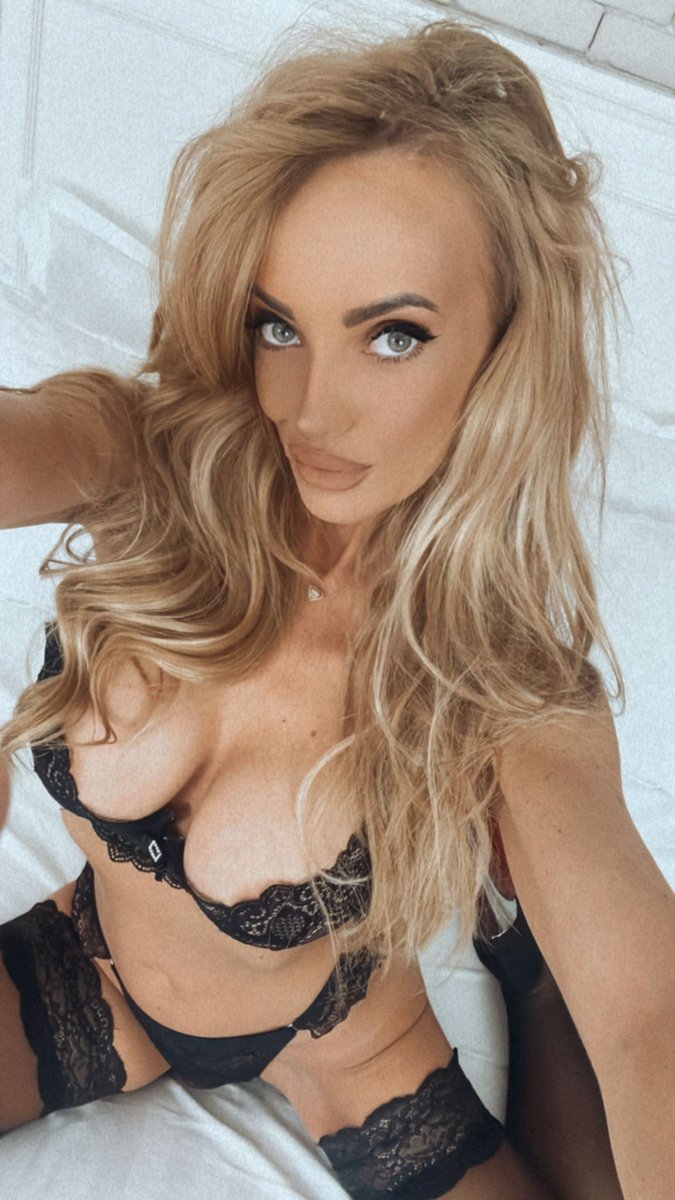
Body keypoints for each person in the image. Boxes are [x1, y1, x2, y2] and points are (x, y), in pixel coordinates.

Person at [0, 19, 673, 1200]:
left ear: (504, 350)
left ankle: (520, 955)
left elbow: (648, 1020)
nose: (311, 408)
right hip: (97, 972)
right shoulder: (152, 458)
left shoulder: (504, 681)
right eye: (280, 325)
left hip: (345, 1048)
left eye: (394, 336)